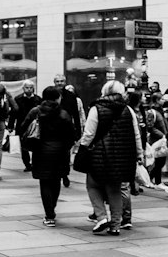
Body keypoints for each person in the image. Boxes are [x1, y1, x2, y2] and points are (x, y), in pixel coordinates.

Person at [78, 80, 141, 234]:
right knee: (114, 189)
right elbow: (136, 134)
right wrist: (139, 153)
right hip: (122, 155)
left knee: (92, 185)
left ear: (104, 91)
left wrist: (82, 148)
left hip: (99, 153)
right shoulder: (128, 110)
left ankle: (101, 217)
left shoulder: (96, 108)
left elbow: (89, 134)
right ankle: (115, 226)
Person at [29, 86, 77, 225]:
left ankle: (49, 214)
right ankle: (52, 209)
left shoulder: (35, 112)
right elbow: (71, 135)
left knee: (44, 182)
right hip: (60, 152)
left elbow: (24, 129)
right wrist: (65, 147)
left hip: (41, 151)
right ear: (58, 98)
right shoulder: (64, 114)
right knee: (56, 181)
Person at [13, 83, 39, 171]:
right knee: (23, 145)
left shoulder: (38, 99)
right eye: (27, 87)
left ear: (33, 88)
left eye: (31, 88)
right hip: (21, 125)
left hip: (34, 125)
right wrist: (10, 125)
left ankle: (35, 163)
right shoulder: (18, 99)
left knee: (35, 144)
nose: (28, 89)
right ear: (23, 88)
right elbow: (14, 112)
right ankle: (27, 164)